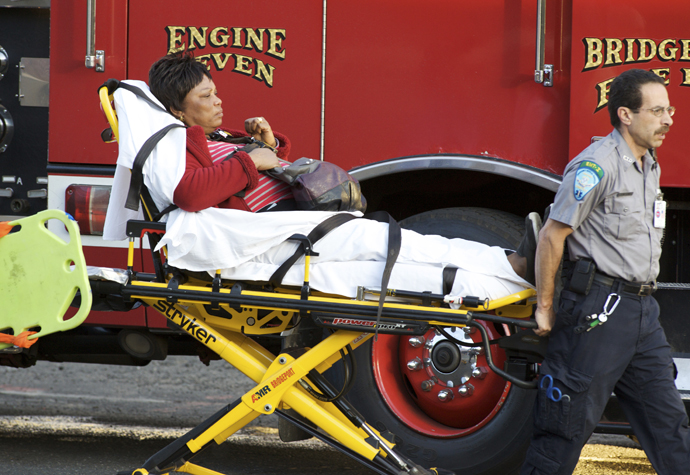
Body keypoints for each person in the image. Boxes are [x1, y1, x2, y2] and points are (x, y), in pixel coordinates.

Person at [122, 52, 539, 303]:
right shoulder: (182, 141)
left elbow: (252, 175)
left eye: (215, 91)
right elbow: (190, 194)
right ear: (177, 110)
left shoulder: (215, 138)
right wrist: (254, 163)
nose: (219, 101)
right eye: (206, 97)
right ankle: (509, 269)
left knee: (393, 245)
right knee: (389, 245)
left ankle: (508, 266)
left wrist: (270, 149)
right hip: (278, 238)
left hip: (295, 226)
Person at [521, 69, 689, 475]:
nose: (669, 118)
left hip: (641, 314)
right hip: (598, 311)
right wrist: (545, 305)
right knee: (563, 429)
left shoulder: (649, 164)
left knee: (670, 427)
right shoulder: (595, 166)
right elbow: (552, 235)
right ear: (626, 115)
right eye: (657, 110)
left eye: (670, 109)